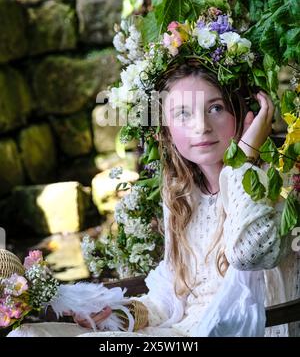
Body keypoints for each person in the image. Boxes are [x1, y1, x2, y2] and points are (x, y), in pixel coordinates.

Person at [8, 58, 300, 337]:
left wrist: (245, 160)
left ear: (243, 116)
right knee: (26, 332)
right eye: (183, 113)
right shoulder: (183, 195)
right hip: (175, 332)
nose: (201, 126)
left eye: (216, 108)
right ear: (168, 131)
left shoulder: (269, 186)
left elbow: (250, 254)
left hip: (227, 330)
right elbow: (169, 296)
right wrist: (119, 315)